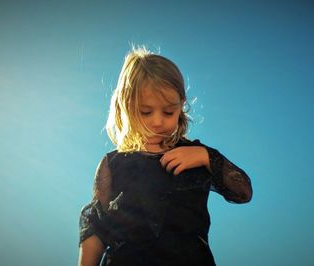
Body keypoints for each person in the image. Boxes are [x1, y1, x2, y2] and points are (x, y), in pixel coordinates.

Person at [78, 46, 252, 266]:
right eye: (145, 112)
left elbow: (243, 192)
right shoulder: (113, 164)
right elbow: (96, 225)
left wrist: (207, 157)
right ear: (126, 107)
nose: (158, 121)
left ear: (181, 106)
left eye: (168, 112)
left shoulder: (196, 155)